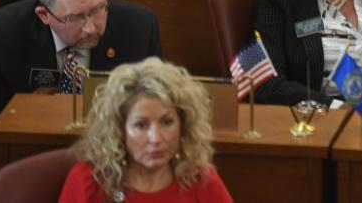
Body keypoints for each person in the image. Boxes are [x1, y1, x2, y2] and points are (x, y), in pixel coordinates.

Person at [0, 0, 161, 203]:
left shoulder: (139, 26)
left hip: (113, 164)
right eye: (74, 18)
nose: (90, 27)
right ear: (43, 14)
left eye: (97, 10)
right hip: (19, 163)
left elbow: (156, 115)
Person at [59, 57, 233, 203]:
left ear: (183, 125)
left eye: (167, 122)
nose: (155, 138)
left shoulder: (202, 180)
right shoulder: (89, 181)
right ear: (120, 129)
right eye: (141, 125)